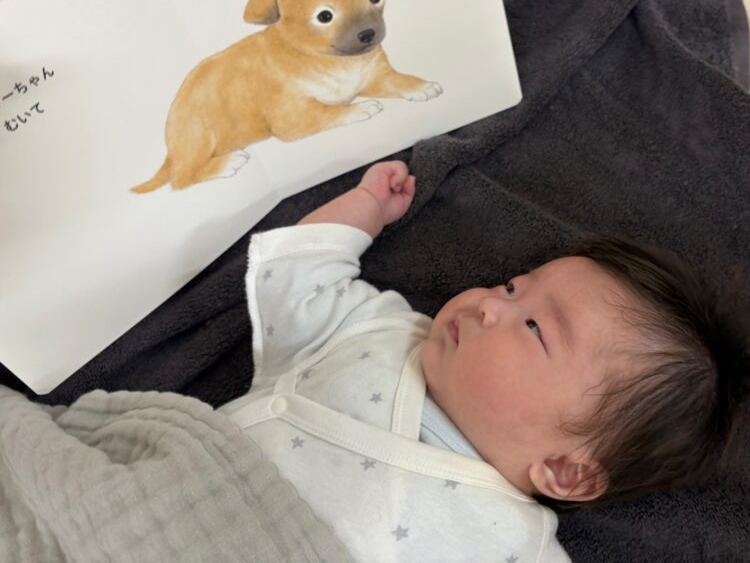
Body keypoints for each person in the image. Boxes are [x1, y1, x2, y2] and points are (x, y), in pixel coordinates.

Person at [219, 160, 748, 562]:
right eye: (513, 286)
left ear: (565, 470)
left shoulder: (516, 545)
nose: (490, 305)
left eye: (534, 328)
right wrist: (366, 206)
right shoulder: (382, 330)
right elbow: (299, 277)